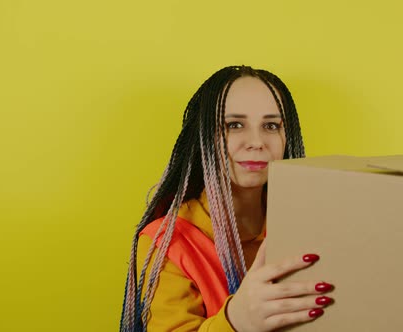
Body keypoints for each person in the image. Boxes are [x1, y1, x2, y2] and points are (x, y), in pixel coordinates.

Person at [120, 65, 335, 332]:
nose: (256, 142)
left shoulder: (314, 223)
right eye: (234, 125)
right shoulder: (167, 243)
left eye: (271, 125)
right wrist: (238, 320)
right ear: (203, 138)